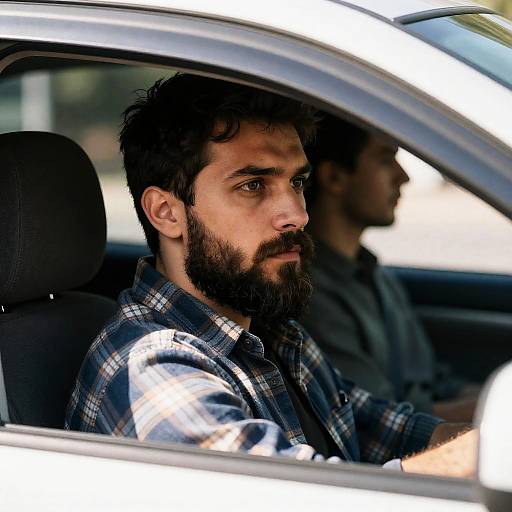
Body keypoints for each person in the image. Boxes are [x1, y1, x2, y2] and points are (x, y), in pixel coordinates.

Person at [65, 74, 475, 477]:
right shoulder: (152, 369)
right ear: (167, 213)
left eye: (296, 182)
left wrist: (483, 443)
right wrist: (474, 461)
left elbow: (386, 429)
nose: (298, 215)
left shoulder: (272, 331)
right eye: (253, 185)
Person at [303, 113, 477, 422]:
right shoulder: (310, 293)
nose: (403, 177)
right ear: (335, 178)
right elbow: (375, 421)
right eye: (385, 160)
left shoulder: (377, 276)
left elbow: (438, 383)